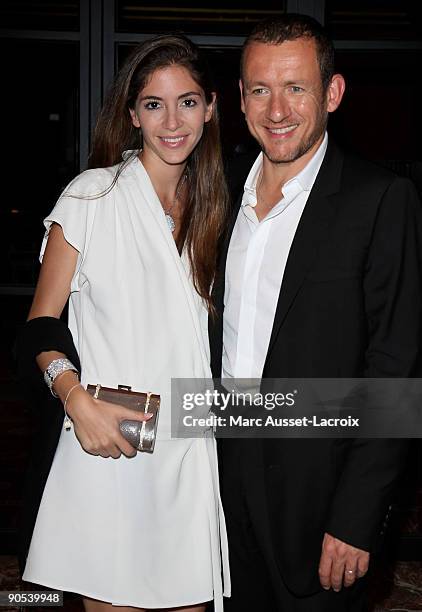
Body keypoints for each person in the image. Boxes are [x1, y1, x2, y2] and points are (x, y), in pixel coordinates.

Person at [209, 13, 422, 612]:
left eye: (296, 87)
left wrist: (357, 515)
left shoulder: (379, 199)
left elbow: (395, 371)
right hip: (219, 474)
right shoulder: (220, 194)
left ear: (332, 93)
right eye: (260, 90)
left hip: (320, 491)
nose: (277, 110)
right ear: (241, 101)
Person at [18, 34, 230, 612]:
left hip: (188, 461)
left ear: (210, 109)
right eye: (154, 104)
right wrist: (75, 399)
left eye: (187, 102)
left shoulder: (216, 215)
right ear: (133, 114)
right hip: (110, 449)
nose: (172, 121)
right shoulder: (92, 196)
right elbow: (40, 324)